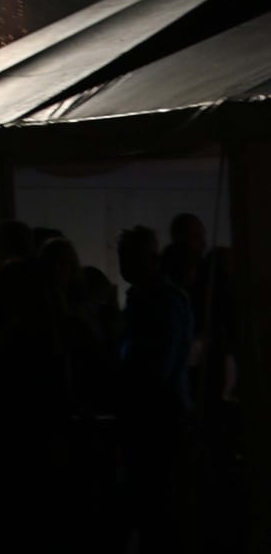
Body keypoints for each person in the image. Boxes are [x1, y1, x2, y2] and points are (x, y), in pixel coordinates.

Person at [116, 225, 195, 553]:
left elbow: (151, 372)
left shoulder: (158, 303)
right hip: (159, 419)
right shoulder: (155, 300)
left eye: (126, 256)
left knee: (157, 510)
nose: (122, 264)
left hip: (158, 422)